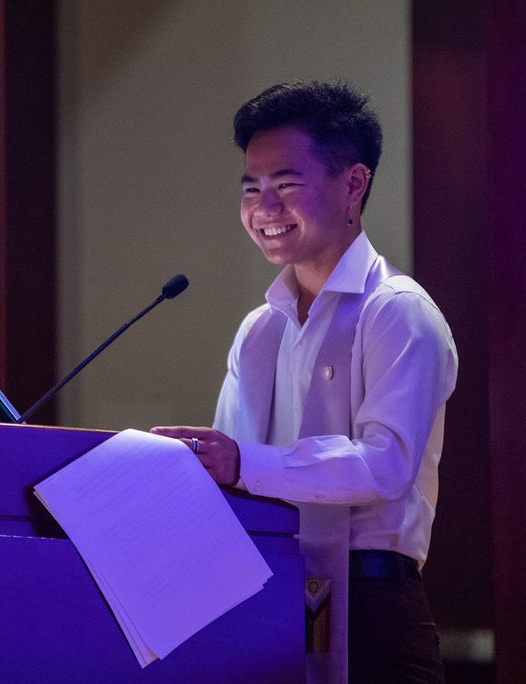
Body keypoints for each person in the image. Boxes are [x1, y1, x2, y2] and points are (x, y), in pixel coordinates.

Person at [151, 81, 458, 682]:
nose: (264, 208)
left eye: (286, 184)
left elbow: (384, 465)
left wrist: (243, 462)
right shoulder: (259, 331)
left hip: (372, 604)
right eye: (251, 188)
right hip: (266, 598)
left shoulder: (397, 310)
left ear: (353, 183)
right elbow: (229, 476)